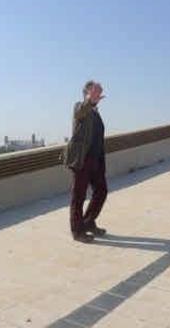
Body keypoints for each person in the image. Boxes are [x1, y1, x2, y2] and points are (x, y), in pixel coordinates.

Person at [63, 80, 108, 243]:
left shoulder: (95, 113)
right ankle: (77, 231)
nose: (96, 94)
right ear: (86, 94)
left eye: (97, 92)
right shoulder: (79, 107)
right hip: (82, 159)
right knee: (78, 196)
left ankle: (88, 222)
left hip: (96, 159)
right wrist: (90, 101)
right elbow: (80, 113)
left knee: (101, 191)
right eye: (92, 92)